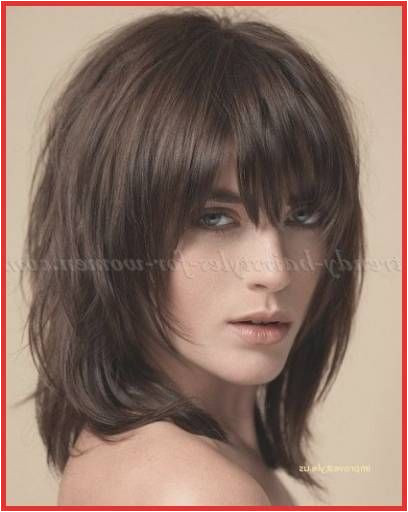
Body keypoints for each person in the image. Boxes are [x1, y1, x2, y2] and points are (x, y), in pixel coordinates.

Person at [22, 8, 365, 505]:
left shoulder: (196, 458)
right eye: (214, 218)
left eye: (304, 214)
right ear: (113, 233)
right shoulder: (191, 487)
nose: (274, 271)